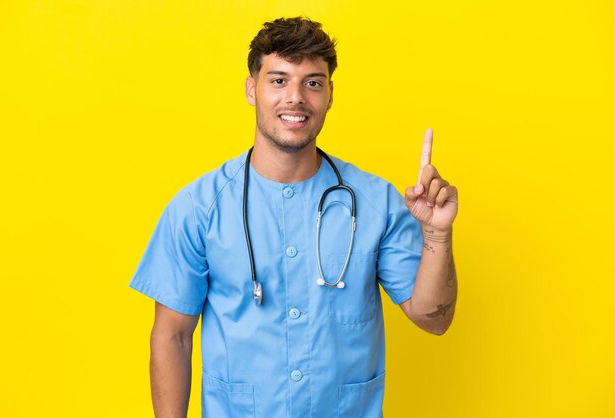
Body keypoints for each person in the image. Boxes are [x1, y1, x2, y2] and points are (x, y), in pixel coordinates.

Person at [130, 16, 458, 418]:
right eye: (279, 80)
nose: (296, 98)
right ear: (252, 89)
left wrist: (437, 235)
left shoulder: (376, 203)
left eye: (313, 83)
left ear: (330, 94)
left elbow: (433, 319)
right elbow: (172, 338)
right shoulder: (199, 208)